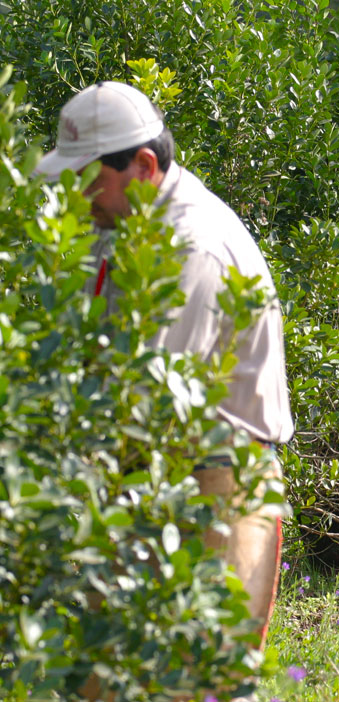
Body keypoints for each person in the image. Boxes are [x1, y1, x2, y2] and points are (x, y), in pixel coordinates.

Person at [36, 82, 293, 662]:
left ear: (144, 166)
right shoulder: (116, 224)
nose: (77, 197)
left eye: (86, 179)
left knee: (196, 678)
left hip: (216, 485)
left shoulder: (192, 248)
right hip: (147, 474)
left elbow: (144, 402)